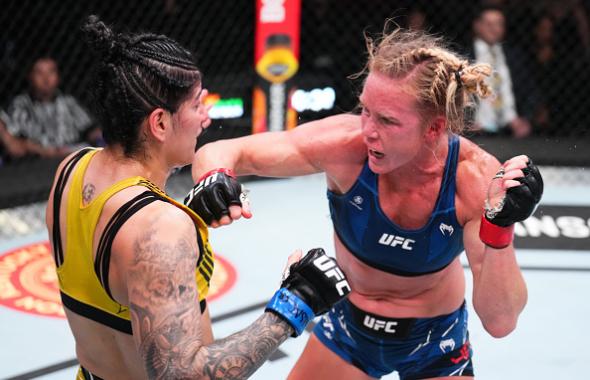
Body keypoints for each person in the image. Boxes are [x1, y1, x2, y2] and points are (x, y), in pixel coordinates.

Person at [189, 27, 543, 379]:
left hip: (435, 344)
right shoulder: (344, 144)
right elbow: (222, 151)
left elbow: (500, 321)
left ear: (433, 129)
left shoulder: (474, 179)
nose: (368, 130)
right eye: (366, 110)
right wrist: (215, 177)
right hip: (347, 329)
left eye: (387, 120)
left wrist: (499, 229)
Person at [46, 16, 350, 380]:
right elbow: (181, 375)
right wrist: (294, 303)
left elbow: (111, 276)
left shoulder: (70, 170)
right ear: (159, 123)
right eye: (197, 105)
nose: (206, 117)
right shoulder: (160, 229)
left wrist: (187, 213)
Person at [0, 56, 101, 159]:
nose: (46, 79)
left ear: (58, 77)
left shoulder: (68, 102)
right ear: (30, 77)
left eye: (51, 72)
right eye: (39, 73)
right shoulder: (20, 105)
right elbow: (15, 145)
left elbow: (91, 130)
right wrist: (39, 149)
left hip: (72, 155)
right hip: (35, 163)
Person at [467, 5, 538, 138]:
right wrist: (466, 121)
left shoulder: (514, 56)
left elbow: (530, 91)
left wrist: (525, 119)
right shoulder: (463, 56)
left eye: (499, 24)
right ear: (477, 26)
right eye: (489, 24)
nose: (494, 29)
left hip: (511, 129)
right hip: (476, 130)